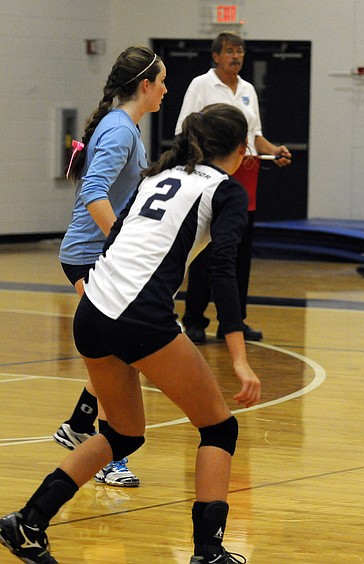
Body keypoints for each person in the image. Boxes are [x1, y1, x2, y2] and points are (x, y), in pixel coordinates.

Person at [0, 103, 262, 564]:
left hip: (94, 308)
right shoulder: (225, 190)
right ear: (241, 150)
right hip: (137, 317)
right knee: (219, 428)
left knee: (123, 433)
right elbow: (224, 271)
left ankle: (29, 522)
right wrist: (239, 357)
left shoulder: (157, 176)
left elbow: (117, 235)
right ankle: (208, 552)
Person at [54, 45, 168, 488]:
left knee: (116, 354)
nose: (165, 90)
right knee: (119, 357)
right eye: (161, 81)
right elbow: (93, 192)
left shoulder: (122, 128)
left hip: (93, 254)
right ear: (144, 85)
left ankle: (79, 426)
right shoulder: (120, 131)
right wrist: (124, 243)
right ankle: (106, 455)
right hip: (89, 255)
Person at [176, 30, 292, 345]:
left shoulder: (249, 89)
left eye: (240, 51)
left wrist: (274, 150)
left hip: (246, 177)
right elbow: (184, 131)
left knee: (240, 252)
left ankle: (233, 323)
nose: (236, 56)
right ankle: (194, 319)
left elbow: (255, 136)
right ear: (215, 55)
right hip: (211, 178)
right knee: (205, 248)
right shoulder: (201, 85)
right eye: (229, 51)